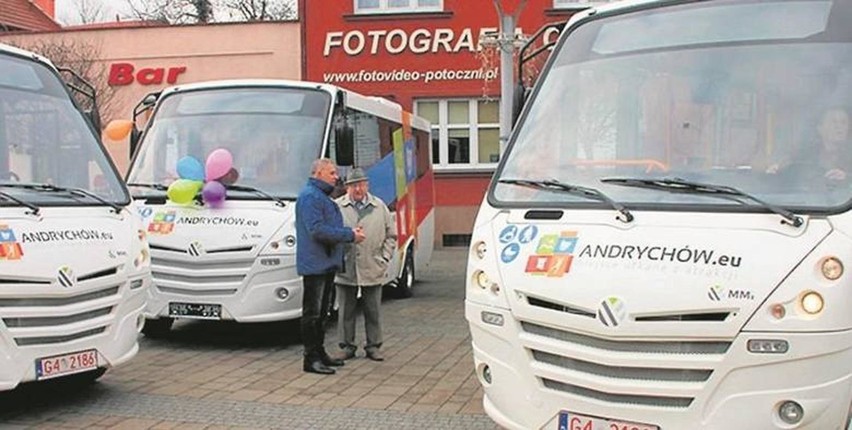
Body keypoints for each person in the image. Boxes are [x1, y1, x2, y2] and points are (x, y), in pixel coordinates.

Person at [296, 158, 366, 375]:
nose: (337, 176)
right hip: (316, 264)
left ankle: (320, 352)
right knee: (313, 313)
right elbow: (317, 230)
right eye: (332, 173)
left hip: (325, 263)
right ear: (318, 174)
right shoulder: (310, 197)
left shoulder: (320, 196)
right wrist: (349, 235)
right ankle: (311, 358)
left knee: (323, 312)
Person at [334, 168, 396, 362]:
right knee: (345, 310)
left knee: (373, 310)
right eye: (353, 185)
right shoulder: (337, 207)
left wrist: (384, 258)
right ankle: (346, 346)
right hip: (346, 266)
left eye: (361, 184)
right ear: (347, 188)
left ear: (367, 185)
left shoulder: (379, 206)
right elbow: (331, 234)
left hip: (372, 264)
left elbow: (391, 236)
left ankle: (374, 346)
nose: (358, 189)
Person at [768, 107, 852, 182]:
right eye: (834, 122)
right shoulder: (803, 155)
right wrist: (776, 170)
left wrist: (847, 178)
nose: (839, 127)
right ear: (820, 129)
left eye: (843, 122)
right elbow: (788, 171)